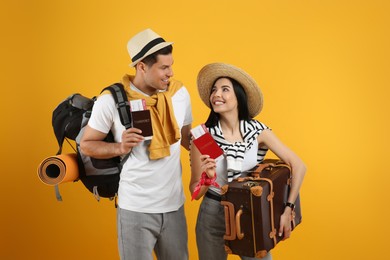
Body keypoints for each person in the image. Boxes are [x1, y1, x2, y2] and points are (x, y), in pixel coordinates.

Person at [80, 29, 192, 260]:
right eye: (164, 67)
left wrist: (223, 147)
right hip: (135, 208)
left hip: (174, 206)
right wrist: (119, 147)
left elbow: (187, 137)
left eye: (171, 66)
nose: (171, 73)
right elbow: (87, 145)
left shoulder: (179, 94)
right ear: (142, 66)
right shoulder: (111, 100)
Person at [189, 63, 306, 260]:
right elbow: (194, 191)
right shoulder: (202, 136)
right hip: (213, 212)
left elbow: (299, 165)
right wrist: (207, 179)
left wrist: (288, 209)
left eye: (225, 89)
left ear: (239, 97)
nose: (217, 94)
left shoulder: (257, 131)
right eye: (214, 90)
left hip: (249, 209)